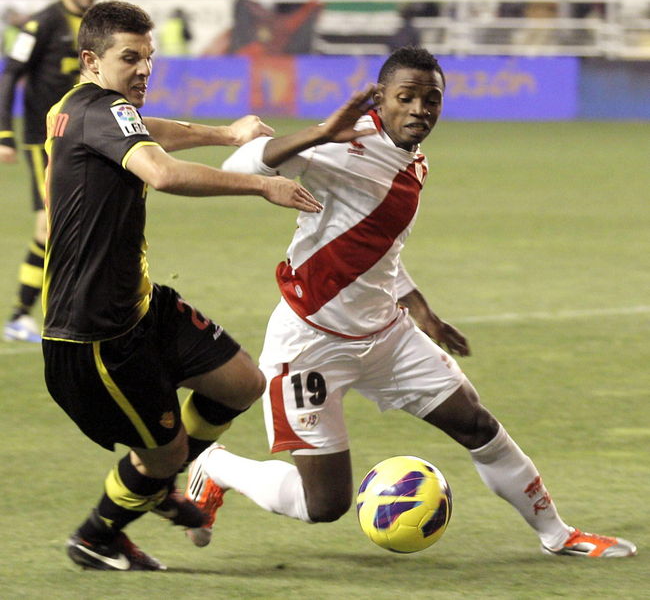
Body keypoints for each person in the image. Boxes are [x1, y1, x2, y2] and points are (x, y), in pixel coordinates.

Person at [185, 46, 637, 559]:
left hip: (386, 335)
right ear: (381, 98)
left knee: (477, 425)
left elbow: (380, 248)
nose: (420, 109)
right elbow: (238, 164)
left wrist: (421, 310)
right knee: (324, 503)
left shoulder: (413, 162)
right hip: (310, 345)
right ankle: (216, 467)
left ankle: (558, 534)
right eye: (407, 97)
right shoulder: (342, 144)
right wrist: (319, 133)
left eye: (431, 99)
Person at [42, 0, 324, 572]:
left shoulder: (82, 107)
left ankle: (160, 479)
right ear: (91, 61)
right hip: (93, 334)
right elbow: (163, 173)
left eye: (148, 57)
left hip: (140, 306)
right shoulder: (101, 109)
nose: (144, 69)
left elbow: (147, 131)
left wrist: (225, 133)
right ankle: (98, 535)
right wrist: (260, 186)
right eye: (130, 58)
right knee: (163, 455)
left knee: (242, 383)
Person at [1, 0, 103, 344]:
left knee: (79, 224)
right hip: (44, 140)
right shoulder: (42, 23)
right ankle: (20, 315)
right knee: (49, 226)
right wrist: (4, 133)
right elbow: (10, 74)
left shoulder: (97, 25)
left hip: (83, 138)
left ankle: (66, 310)